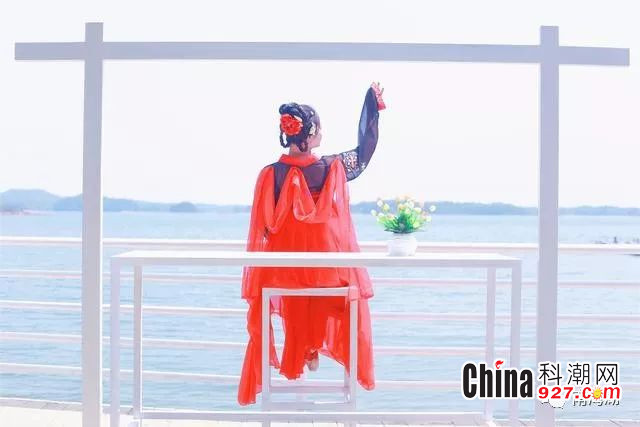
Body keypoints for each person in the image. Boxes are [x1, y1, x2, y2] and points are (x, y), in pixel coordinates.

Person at [237, 82, 386, 406]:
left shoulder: (270, 175)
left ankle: (305, 349)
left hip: (283, 272)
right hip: (330, 272)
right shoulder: (331, 167)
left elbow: (262, 229)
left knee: (297, 289)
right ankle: (313, 346)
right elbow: (364, 152)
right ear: (313, 132)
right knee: (336, 293)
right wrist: (371, 108)